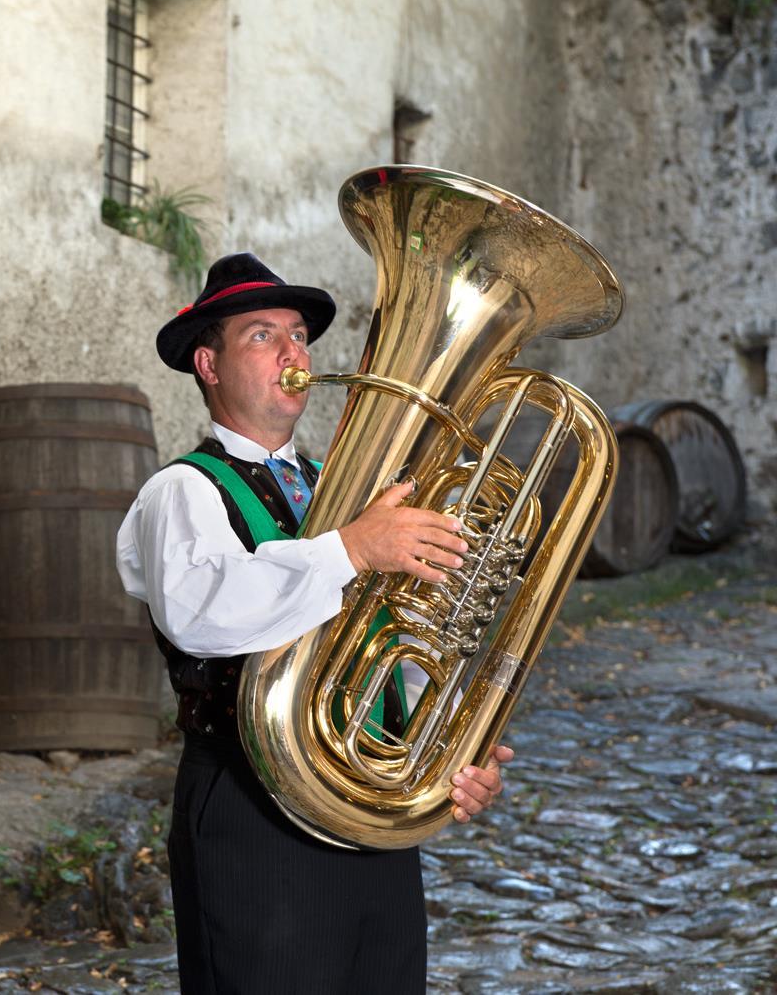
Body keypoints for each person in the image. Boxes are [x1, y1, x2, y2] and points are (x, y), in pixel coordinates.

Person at [116, 252, 514, 994]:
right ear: (208, 363)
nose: (293, 351)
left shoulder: (341, 488)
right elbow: (205, 610)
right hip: (252, 809)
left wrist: (448, 741)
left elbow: (393, 637)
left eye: (299, 334)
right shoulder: (182, 489)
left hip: (366, 806)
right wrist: (352, 549)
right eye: (262, 335)